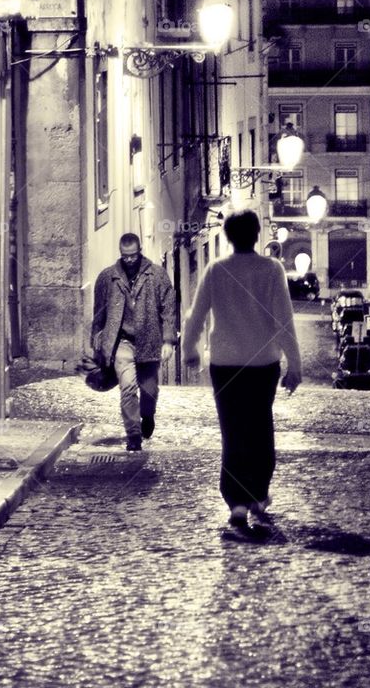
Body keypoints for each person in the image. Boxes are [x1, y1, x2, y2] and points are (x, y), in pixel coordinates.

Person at [182, 210, 302, 528]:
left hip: (224, 363)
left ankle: (236, 501)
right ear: (257, 234)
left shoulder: (216, 269)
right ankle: (257, 494)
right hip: (263, 364)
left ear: (228, 236)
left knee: (232, 431)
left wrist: (189, 350)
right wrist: (295, 365)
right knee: (260, 429)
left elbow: (196, 314)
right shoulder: (272, 270)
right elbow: (284, 320)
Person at [91, 234, 177, 451]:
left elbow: (168, 309)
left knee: (149, 391)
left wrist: (168, 340)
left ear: (140, 251)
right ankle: (133, 435)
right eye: (125, 256)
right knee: (128, 387)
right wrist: (97, 340)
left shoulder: (157, 275)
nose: (129, 260)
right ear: (120, 253)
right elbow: (99, 311)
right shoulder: (107, 278)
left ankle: (147, 416)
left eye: (133, 255)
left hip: (149, 341)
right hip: (122, 342)